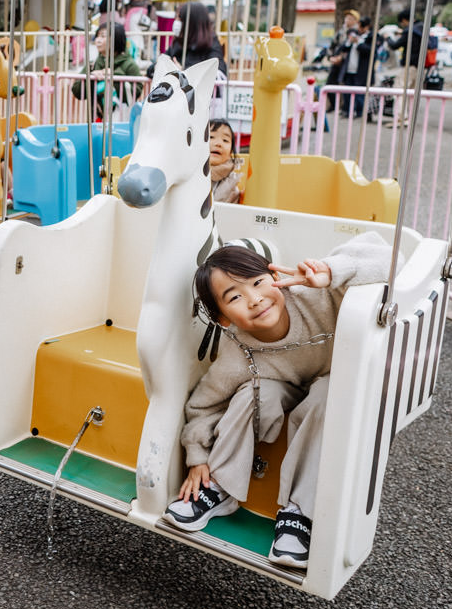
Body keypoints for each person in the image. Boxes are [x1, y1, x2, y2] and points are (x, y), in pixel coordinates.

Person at [164, 233, 392, 569]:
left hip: (333, 384)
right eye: (235, 297)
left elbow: (387, 257)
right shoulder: (237, 351)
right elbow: (202, 405)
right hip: (283, 389)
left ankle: (298, 512)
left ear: (276, 279)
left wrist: (331, 270)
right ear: (223, 318)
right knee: (254, 391)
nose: (255, 299)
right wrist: (198, 456)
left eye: (258, 283)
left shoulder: (316, 295)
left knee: (325, 395)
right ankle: (221, 486)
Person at [72, 22, 142, 121]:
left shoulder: (129, 64)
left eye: (103, 36)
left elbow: (136, 92)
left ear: (116, 39)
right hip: (96, 122)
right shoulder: (93, 64)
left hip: (121, 121)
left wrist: (115, 77)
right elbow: (77, 92)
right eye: (97, 36)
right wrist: (91, 77)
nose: (98, 40)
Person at [166, 1, 228, 76]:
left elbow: (219, 73)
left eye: (180, 19)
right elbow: (161, 62)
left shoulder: (211, 43)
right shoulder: (178, 42)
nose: (176, 22)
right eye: (176, 18)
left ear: (192, 22)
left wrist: (183, 72)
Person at [207, 119, 242, 204]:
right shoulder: (187, 174)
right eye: (211, 137)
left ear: (231, 152)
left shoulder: (233, 187)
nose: (218, 143)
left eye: (225, 140)